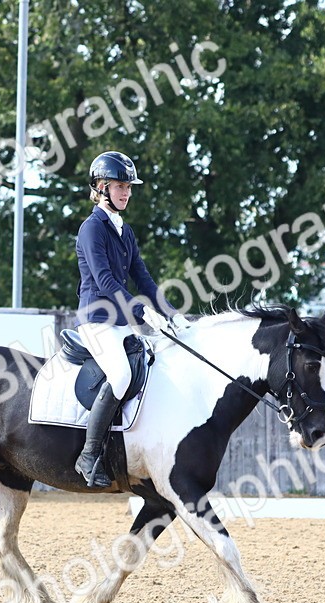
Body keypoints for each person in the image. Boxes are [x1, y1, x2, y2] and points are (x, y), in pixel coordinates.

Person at [73, 150, 188, 488]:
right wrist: (142, 311)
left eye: (128, 187)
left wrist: (172, 314)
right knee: (121, 375)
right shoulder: (91, 229)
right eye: (120, 186)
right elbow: (105, 280)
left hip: (122, 323)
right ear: (101, 188)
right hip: (95, 320)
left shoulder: (125, 230)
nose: (126, 193)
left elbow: (144, 279)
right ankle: (88, 455)